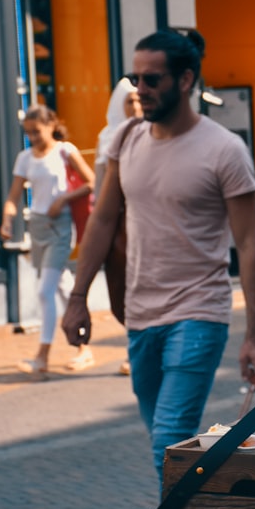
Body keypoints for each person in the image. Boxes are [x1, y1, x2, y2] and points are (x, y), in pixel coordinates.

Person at [61, 29, 255, 509]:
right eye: (135, 77)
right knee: (170, 451)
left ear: (185, 79)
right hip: (140, 315)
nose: (140, 88)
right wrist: (78, 296)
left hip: (199, 313)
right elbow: (104, 220)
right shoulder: (126, 141)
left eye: (151, 79)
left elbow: (248, 244)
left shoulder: (224, 149)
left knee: (167, 445)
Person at [0, 105, 95, 375]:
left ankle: (42, 356)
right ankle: (84, 348)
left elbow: (92, 182)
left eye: (37, 131)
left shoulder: (66, 150)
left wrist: (63, 198)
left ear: (51, 125)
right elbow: (13, 196)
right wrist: (7, 220)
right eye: (28, 133)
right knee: (63, 286)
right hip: (38, 226)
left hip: (61, 225)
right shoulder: (25, 158)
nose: (33, 137)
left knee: (45, 291)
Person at [93, 78, 141, 376]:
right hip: (120, 225)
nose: (135, 107)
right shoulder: (108, 137)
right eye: (129, 102)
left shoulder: (153, 133)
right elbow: (100, 192)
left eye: (138, 101)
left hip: (147, 224)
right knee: (123, 289)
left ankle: (137, 351)